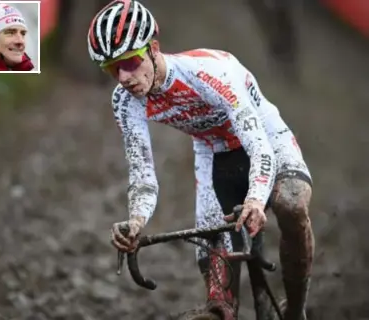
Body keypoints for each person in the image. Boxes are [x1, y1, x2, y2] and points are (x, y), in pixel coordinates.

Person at [88, 1, 314, 319]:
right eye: (112, 68)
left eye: (130, 61)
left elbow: (259, 145)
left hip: (265, 138)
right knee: (217, 302)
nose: (124, 77)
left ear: (153, 49)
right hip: (213, 153)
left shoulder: (209, 72)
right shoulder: (125, 100)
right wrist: (136, 221)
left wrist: (255, 197)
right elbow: (142, 175)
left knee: (291, 203)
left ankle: (297, 309)